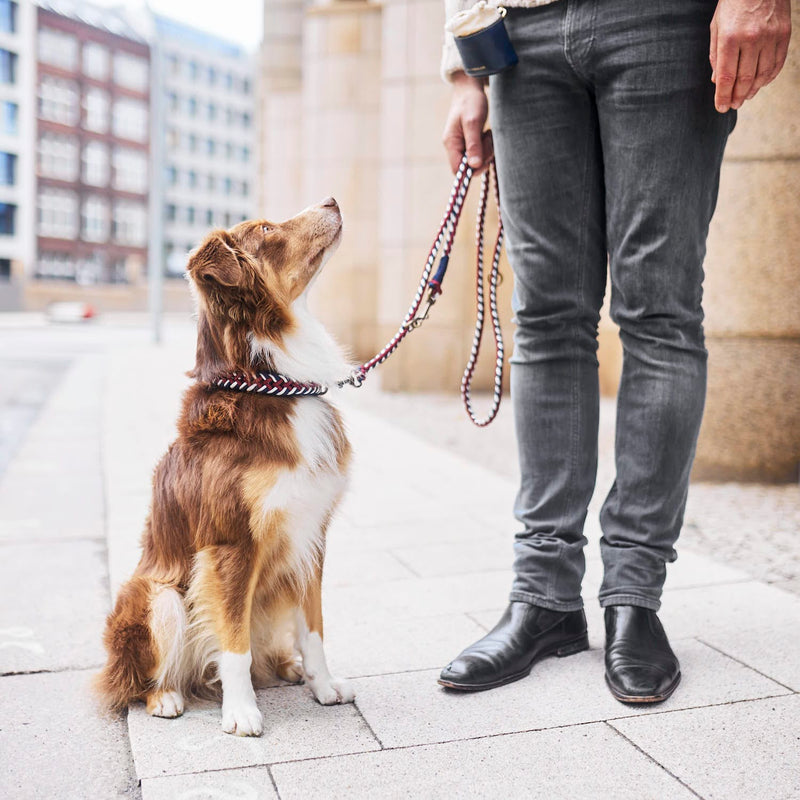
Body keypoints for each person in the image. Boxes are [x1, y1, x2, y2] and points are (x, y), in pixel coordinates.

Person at [437, 0, 791, 703]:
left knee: (657, 310)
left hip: (663, 17)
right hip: (519, 31)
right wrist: (462, 64)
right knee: (545, 316)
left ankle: (634, 596)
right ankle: (544, 599)